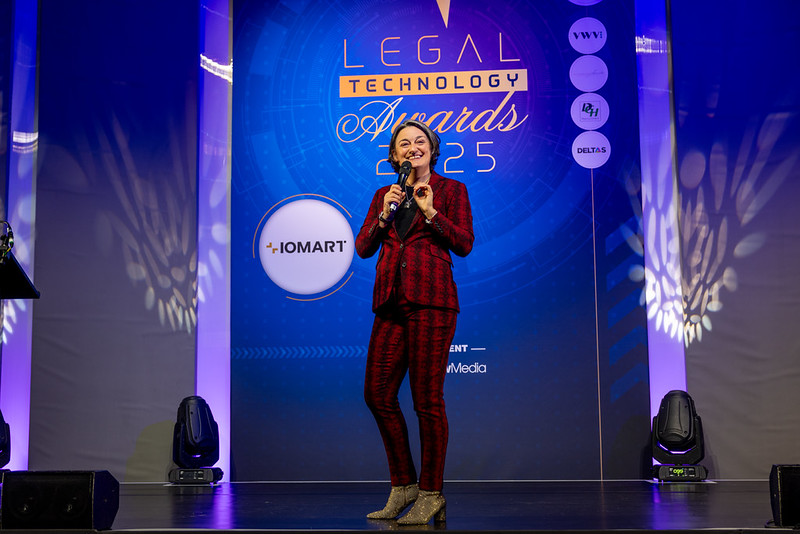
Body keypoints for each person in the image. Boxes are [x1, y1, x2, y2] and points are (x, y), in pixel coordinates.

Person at [355, 119, 474, 525]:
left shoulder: (452, 190)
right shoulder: (383, 195)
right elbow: (363, 248)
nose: (412, 148)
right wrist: (384, 215)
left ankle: (430, 493)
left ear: (431, 149)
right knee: (377, 394)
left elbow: (464, 243)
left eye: (419, 141)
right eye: (403, 143)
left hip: (432, 302)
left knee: (427, 401)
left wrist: (431, 212)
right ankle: (403, 484)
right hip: (390, 303)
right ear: (394, 155)